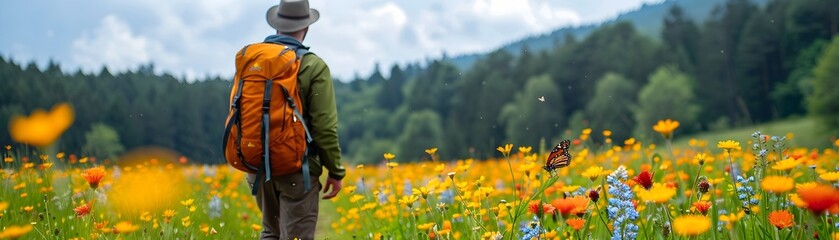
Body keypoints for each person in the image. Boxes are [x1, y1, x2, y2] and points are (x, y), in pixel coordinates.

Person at [246, 0, 345, 239]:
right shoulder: (313, 66)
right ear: (307, 27)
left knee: (270, 231)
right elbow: (324, 128)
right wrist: (335, 171)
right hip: (296, 167)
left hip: (256, 165)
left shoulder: (253, 61)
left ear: (276, 25)